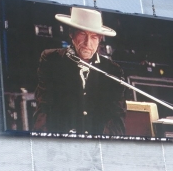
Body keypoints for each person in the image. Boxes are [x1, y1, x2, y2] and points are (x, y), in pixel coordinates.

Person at [33, 7, 126, 135]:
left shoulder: (112, 70)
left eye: (94, 37)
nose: (88, 43)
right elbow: (43, 108)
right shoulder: (52, 60)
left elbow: (116, 118)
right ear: (71, 34)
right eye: (83, 34)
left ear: (100, 39)